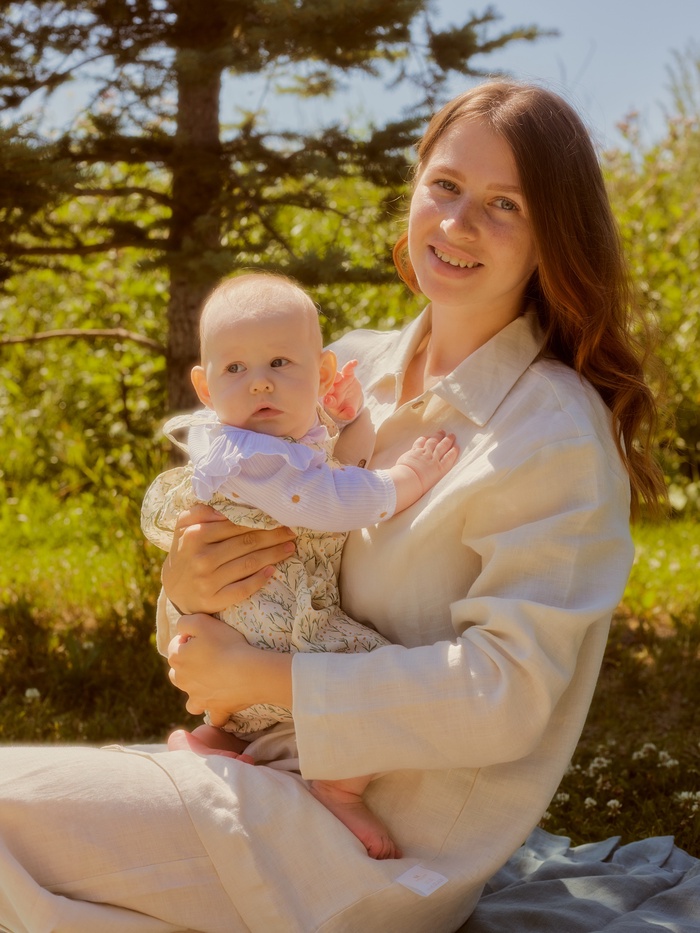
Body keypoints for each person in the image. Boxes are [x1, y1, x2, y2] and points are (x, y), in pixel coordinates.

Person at [0, 80, 666, 933]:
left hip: (370, 852)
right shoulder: (341, 372)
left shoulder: (554, 432)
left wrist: (260, 677)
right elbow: (239, 592)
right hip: (247, 764)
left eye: (505, 204)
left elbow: (507, 693)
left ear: (553, 236)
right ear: (415, 187)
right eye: (446, 185)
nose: (460, 222)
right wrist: (185, 587)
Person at [141, 271, 458, 860]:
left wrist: (352, 419)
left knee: (253, 705)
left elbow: (342, 463)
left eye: (280, 363)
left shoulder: (275, 440)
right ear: (205, 387)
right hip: (279, 623)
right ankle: (338, 785)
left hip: (242, 619)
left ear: (323, 372)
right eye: (235, 369)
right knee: (377, 680)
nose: (259, 381)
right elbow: (333, 498)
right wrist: (408, 478)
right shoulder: (250, 456)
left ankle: (214, 737)